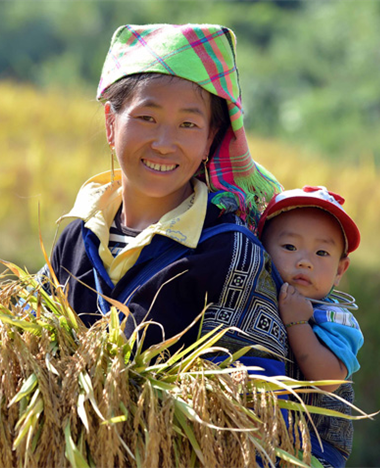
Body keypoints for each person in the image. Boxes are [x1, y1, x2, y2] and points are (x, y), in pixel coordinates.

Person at [39, 23, 288, 369]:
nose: (164, 143)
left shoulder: (230, 254)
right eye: (147, 117)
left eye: (188, 125)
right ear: (111, 124)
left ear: (209, 139)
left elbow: (256, 399)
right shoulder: (76, 236)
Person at [258, 185, 364, 468]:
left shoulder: (335, 318)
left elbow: (328, 379)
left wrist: (297, 322)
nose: (304, 261)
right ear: (261, 248)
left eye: (321, 253)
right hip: (264, 431)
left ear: (340, 271)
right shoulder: (257, 294)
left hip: (317, 445)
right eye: (290, 247)